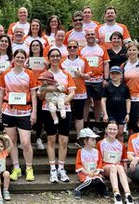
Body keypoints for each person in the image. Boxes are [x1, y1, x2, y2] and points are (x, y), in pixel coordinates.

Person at [0, 49, 37, 181]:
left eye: (22, 57)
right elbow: (2, 93)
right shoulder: (5, 74)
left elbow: (33, 94)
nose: (20, 59)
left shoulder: (30, 74)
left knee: (26, 142)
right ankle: (16, 168)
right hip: (8, 110)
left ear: (25, 59)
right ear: (13, 59)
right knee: (12, 142)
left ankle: (29, 168)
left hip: (25, 111)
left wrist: (34, 112)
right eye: (18, 57)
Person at [37, 49, 75, 183]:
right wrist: (46, 89)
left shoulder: (66, 74)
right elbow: (40, 95)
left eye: (57, 56)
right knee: (51, 140)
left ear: (61, 58)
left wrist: (62, 103)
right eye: (52, 56)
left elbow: (72, 93)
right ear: (48, 58)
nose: (55, 58)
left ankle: (61, 168)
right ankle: (53, 169)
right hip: (48, 110)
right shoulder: (44, 75)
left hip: (65, 109)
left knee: (64, 141)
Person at [97, 122, 136, 204]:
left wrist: (125, 175)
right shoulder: (100, 143)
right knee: (113, 167)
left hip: (118, 168)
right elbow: (98, 159)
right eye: (110, 129)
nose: (112, 131)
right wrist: (98, 172)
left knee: (119, 167)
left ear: (118, 131)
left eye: (114, 129)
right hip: (106, 167)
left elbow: (124, 161)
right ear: (106, 130)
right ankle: (116, 193)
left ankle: (127, 194)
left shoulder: (121, 145)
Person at [79, 29, 110, 127]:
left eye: (92, 34)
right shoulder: (81, 50)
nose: (90, 36)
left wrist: (106, 78)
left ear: (95, 36)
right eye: (88, 35)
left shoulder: (102, 48)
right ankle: (85, 123)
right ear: (85, 37)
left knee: (97, 102)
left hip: (98, 80)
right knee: (86, 102)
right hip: (85, 80)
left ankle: (97, 123)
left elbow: (106, 64)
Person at [61, 39, 91, 134]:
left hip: (80, 91)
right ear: (67, 49)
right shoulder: (62, 61)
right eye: (70, 47)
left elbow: (88, 77)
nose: (72, 48)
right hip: (66, 92)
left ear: (78, 48)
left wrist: (81, 75)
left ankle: (79, 137)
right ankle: (64, 135)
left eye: (74, 47)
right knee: (64, 114)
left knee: (79, 115)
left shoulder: (83, 60)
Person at [73, 128, 109, 199]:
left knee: (99, 181)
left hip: (95, 173)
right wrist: (86, 172)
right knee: (90, 181)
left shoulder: (97, 152)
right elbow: (79, 164)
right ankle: (78, 189)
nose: (95, 141)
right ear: (85, 141)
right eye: (92, 140)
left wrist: (97, 171)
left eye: (95, 139)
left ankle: (103, 189)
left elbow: (99, 163)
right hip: (85, 173)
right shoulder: (80, 152)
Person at [101, 66, 131, 142]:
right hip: (110, 113)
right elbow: (103, 100)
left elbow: (128, 100)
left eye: (117, 73)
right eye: (112, 73)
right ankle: (105, 149)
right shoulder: (107, 86)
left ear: (121, 75)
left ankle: (120, 151)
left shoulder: (125, 87)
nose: (114, 75)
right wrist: (105, 113)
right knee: (109, 132)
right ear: (110, 75)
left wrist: (128, 113)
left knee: (120, 133)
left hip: (122, 113)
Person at [27, 40, 47, 150]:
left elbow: (48, 76)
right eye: (33, 45)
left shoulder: (45, 61)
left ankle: (39, 138)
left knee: (39, 115)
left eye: (37, 45)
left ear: (40, 47)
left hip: (40, 90)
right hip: (28, 91)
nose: (35, 47)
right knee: (28, 115)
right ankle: (27, 139)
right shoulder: (26, 60)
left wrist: (47, 67)